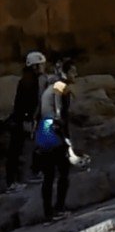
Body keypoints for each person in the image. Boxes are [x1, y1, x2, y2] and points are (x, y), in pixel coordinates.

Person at [35, 58, 78, 220]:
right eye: (73, 71)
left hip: (43, 130)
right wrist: (67, 139)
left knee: (48, 176)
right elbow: (61, 113)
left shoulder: (48, 88)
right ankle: (59, 208)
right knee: (64, 172)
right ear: (64, 73)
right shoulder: (61, 86)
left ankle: (48, 215)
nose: (76, 74)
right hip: (55, 130)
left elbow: (40, 112)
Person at [4, 50, 47, 192]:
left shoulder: (33, 80)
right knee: (15, 151)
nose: (43, 67)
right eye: (40, 65)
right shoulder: (28, 83)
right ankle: (11, 183)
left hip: (25, 119)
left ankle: (30, 174)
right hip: (21, 120)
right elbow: (24, 103)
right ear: (34, 66)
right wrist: (27, 119)